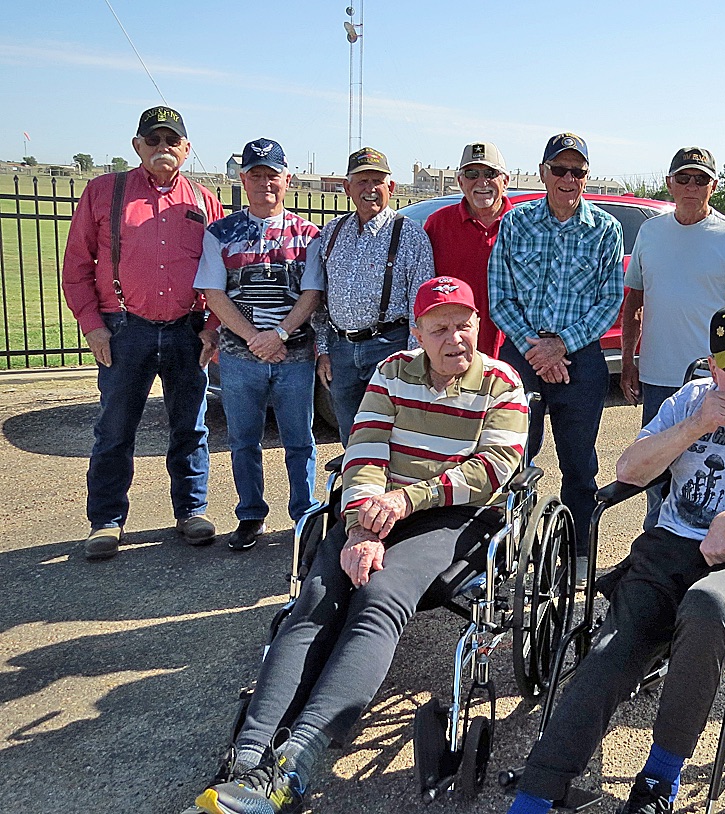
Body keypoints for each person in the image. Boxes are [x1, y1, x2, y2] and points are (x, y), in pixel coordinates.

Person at [186, 276, 528, 814]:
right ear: (417, 331)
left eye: (463, 325)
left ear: (477, 326)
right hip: (373, 510)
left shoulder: (502, 383)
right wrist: (361, 527)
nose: (454, 338)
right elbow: (364, 450)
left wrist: (401, 505)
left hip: (450, 516)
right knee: (315, 601)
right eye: (439, 328)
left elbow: (492, 470)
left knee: (378, 599)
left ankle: (295, 761)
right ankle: (247, 760)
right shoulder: (392, 373)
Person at [504, 304, 725, 814]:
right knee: (614, 648)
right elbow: (629, 470)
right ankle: (537, 793)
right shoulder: (692, 400)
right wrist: (695, 427)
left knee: (705, 606)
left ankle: (661, 776)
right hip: (669, 548)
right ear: (713, 365)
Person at [62, 105, 223, 561]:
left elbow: (220, 276)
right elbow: (75, 269)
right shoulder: (103, 193)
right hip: (123, 330)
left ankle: (191, 511)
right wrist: (92, 327)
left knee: (190, 427)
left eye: (171, 140)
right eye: (152, 140)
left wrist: (212, 328)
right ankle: (106, 521)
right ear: (137, 146)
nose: (162, 148)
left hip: (185, 330)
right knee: (115, 429)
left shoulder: (204, 201)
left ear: (186, 149)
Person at [488, 132, 624, 580]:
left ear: (586, 176)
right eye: (559, 169)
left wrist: (560, 345)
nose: (568, 179)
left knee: (579, 461)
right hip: (522, 352)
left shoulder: (605, 229)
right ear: (544, 171)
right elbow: (499, 295)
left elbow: (608, 302)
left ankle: (579, 550)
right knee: (512, 455)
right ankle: (510, 548)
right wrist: (536, 347)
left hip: (579, 357)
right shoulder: (515, 222)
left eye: (578, 171)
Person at [620, 146, 725, 529]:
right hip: (658, 375)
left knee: (710, 468)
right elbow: (634, 300)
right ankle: (655, 540)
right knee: (657, 467)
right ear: (670, 183)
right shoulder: (650, 232)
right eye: (683, 178)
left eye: (700, 179)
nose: (691, 186)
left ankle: (704, 543)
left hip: (710, 379)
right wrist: (628, 362)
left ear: (713, 186)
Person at [194, 138, 323, 550]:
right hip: (238, 358)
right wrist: (254, 339)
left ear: (287, 178)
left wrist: (280, 335)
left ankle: (303, 516)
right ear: (243, 179)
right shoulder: (220, 233)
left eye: (273, 175)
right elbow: (214, 293)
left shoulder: (309, 234)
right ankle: (250, 514)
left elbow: (312, 294)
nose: (265, 183)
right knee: (243, 440)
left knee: (299, 440)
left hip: (295, 355)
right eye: (255, 175)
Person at [312, 146, 434, 445]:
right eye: (362, 181)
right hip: (341, 351)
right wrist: (323, 349)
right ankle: (356, 490)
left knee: (392, 436)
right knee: (350, 437)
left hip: (388, 347)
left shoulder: (410, 235)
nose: (370, 189)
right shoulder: (331, 232)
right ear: (347, 187)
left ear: (390, 187)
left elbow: (420, 305)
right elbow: (320, 299)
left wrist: (412, 360)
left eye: (377, 182)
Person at [424, 140, 512, 357]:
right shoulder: (438, 224)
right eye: (472, 174)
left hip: (513, 345)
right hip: (454, 346)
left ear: (505, 181)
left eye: (490, 173)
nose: (482, 182)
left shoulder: (524, 225)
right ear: (460, 181)